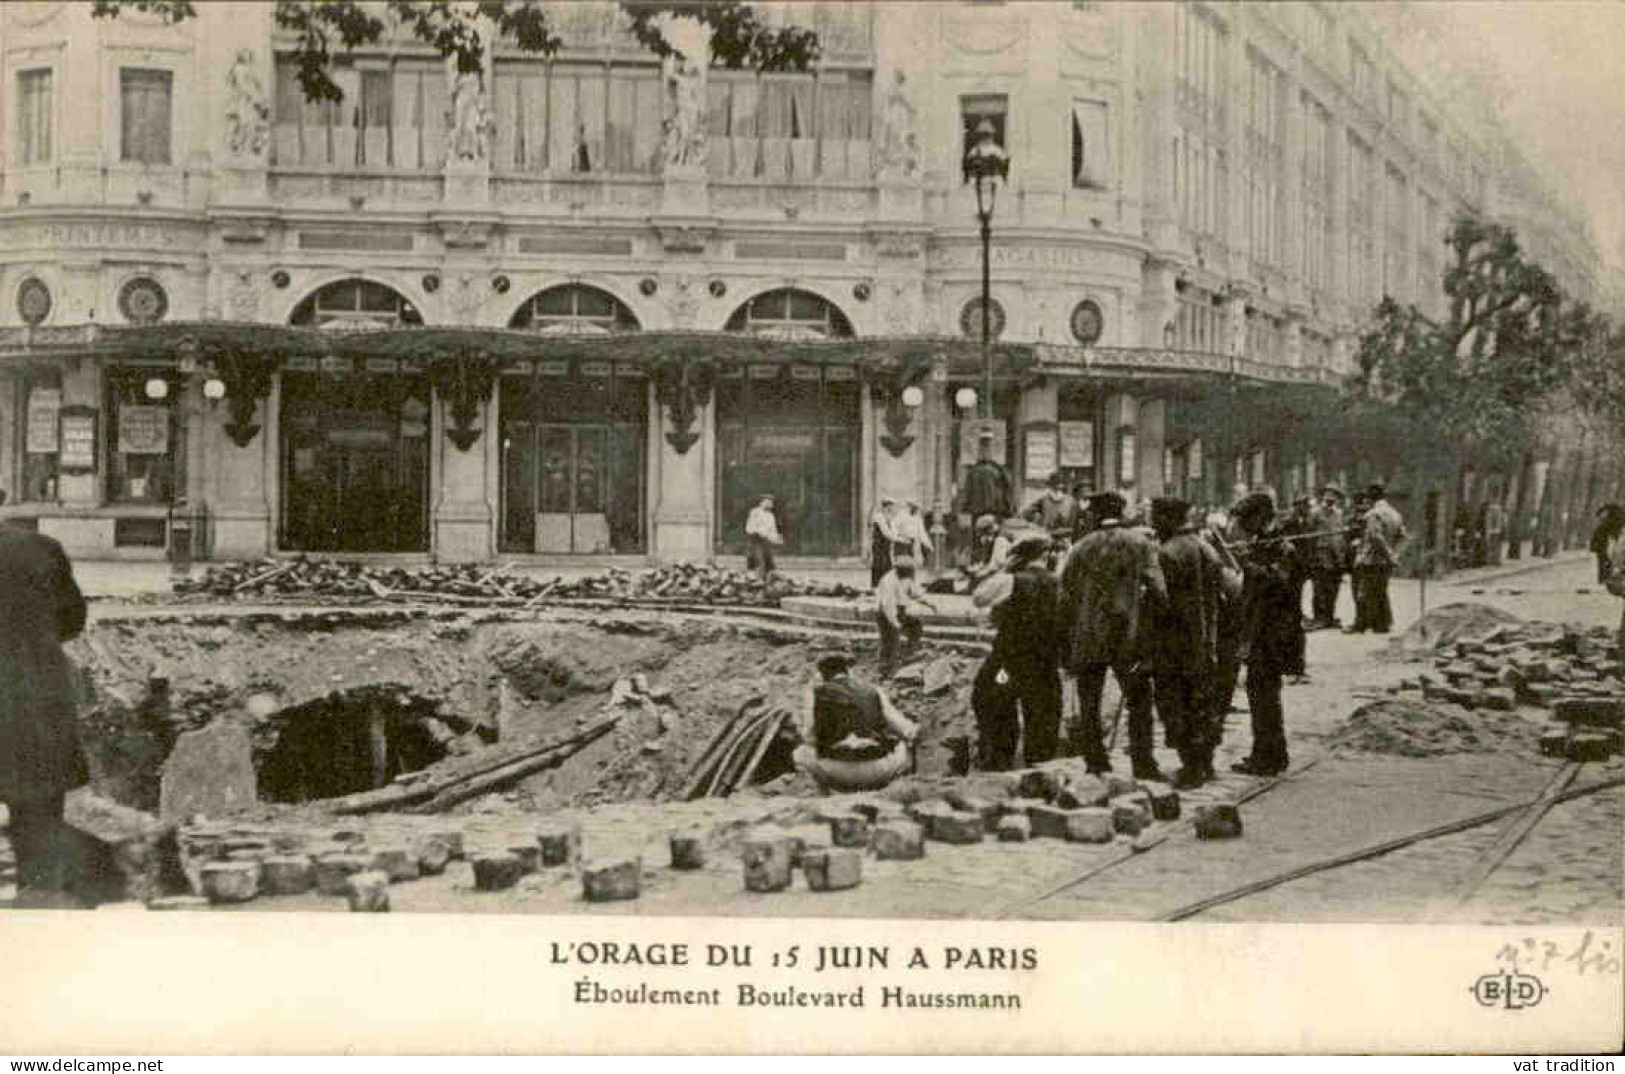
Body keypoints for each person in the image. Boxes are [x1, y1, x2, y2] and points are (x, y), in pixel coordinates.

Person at [1, 523, 89, 909]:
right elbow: (71, 620)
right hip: (32, 696)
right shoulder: (41, 548)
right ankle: (38, 906)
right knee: (37, 816)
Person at [1058, 491, 1167, 777]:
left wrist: (1069, 635)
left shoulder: (1080, 548)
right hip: (1128, 637)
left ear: (1094, 515)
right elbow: (1159, 590)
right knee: (1139, 701)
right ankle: (1143, 764)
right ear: (1121, 513)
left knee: (1089, 702)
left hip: (1089, 637)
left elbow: (1064, 595)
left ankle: (1095, 763)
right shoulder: (1140, 544)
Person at [1148, 497, 1227, 788]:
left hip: (1174, 642)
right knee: (1202, 701)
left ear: (1168, 519)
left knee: (1175, 703)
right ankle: (1204, 762)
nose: (1153, 524)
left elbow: (1161, 602)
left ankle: (1191, 768)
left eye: (1156, 518)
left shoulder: (1166, 553)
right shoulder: (1206, 548)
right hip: (1205, 640)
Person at [1229, 493, 1306, 777]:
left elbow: (1281, 583)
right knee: (1260, 693)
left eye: (1247, 520)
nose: (1244, 526)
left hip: (1275, 632)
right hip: (1260, 630)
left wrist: (1248, 565)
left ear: (1261, 517)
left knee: (1264, 694)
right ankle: (1268, 753)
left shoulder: (1284, 548)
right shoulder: (1262, 544)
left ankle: (1269, 758)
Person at [971, 532, 1062, 770]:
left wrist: (1004, 570)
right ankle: (1039, 769)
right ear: (1046, 555)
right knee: (1043, 714)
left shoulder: (1011, 580)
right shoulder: (1059, 582)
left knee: (990, 698)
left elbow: (979, 598)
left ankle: (999, 761)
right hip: (1046, 662)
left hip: (1009, 661)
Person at [792, 655, 919, 793]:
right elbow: (906, 730)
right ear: (848, 672)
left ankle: (824, 792)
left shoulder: (815, 693)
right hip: (879, 770)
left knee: (800, 753)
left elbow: (809, 737)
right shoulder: (873, 691)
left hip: (835, 770)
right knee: (903, 747)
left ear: (821, 675)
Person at [1348, 483, 1406, 634]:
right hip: (1386, 562)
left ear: (1370, 498)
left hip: (1371, 559)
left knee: (1362, 592)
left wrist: (1388, 554)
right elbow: (1403, 537)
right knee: (1380, 591)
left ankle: (1360, 625)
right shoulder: (1395, 514)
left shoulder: (1373, 514)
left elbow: (1375, 536)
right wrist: (1394, 554)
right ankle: (1381, 624)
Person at [875, 556, 935, 676]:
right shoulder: (888, 581)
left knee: (916, 626)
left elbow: (914, 593)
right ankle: (885, 670)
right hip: (885, 615)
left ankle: (909, 654)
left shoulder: (906, 578)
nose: (911, 573)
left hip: (900, 611)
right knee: (890, 642)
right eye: (909, 571)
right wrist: (895, 623)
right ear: (900, 570)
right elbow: (888, 606)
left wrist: (929, 603)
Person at [1307, 486, 1347, 630]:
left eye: (1334, 497)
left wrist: (1342, 557)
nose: (1330, 500)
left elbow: (1341, 535)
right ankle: (1319, 617)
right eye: (1328, 496)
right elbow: (1309, 535)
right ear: (1323, 497)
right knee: (1319, 589)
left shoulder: (1339, 514)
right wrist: (1310, 556)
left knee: (1333, 588)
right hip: (1320, 555)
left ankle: (1329, 617)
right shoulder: (1315, 513)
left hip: (1335, 556)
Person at [956, 430, 1014, 523]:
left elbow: (1007, 493)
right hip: (985, 513)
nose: (986, 450)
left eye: (988, 446)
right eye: (984, 446)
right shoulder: (978, 470)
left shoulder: (997, 470)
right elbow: (966, 492)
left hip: (991, 513)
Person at [1022, 472, 1082, 547]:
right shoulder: (1044, 500)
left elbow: (1075, 526)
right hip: (1048, 539)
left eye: (1059, 486)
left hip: (1063, 540)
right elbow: (1025, 513)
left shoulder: (1072, 502)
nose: (1058, 488)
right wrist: (1036, 525)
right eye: (1056, 486)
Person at [745, 495, 783, 584]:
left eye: (771, 502)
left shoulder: (770, 516)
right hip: (756, 540)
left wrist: (776, 538)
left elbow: (772, 530)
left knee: (769, 562)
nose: (771, 504)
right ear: (762, 502)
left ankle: (769, 583)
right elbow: (751, 527)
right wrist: (762, 533)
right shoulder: (755, 512)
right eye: (768, 501)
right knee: (759, 561)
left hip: (766, 541)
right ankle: (757, 582)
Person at [1589, 504, 1623, 586]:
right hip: (1604, 545)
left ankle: (1605, 578)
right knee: (1606, 561)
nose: (1601, 518)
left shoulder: (1608, 523)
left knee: (1606, 561)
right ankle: (1607, 578)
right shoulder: (1610, 522)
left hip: (1605, 545)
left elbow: (1599, 535)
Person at [869, 498, 899, 589]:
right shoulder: (879, 517)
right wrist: (897, 539)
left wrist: (896, 537)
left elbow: (894, 532)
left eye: (892, 508)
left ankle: (886, 587)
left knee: (888, 565)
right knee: (878, 565)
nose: (891, 510)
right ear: (885, 507)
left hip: (886, 546)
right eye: (889, 507)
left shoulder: (890, 518)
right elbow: (886, 532)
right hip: (878, 545)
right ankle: (875, 586)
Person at [1483, 495, 1506, 567]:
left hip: (1491, 530)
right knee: (1497, 546)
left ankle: (1490, 560)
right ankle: (1495, 560)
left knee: (1491, 545)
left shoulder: (1490, 510)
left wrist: (1488, 530)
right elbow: (1503, 522)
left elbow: (1488, 521)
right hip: (1497, 530)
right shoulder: (1500, 510)